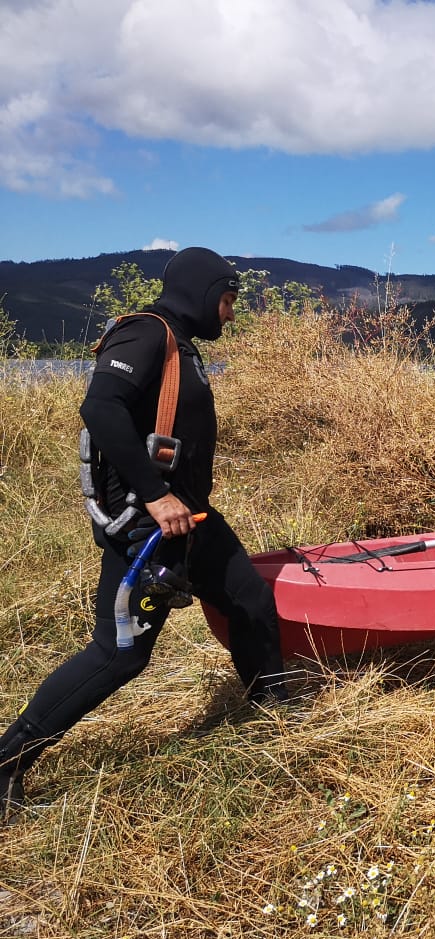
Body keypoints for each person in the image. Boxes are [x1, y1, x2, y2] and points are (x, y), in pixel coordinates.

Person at [0, 247, 286, 822]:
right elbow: (100, 407)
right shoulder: (146, 334)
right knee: (119, 654)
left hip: (193, 521)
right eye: (227, 301)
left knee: (250, 596)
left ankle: (274, 721)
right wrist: (156, 498)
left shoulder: (184, 347)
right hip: (149, 529)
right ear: (204, 293)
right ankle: (8, 760)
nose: (229, 314)